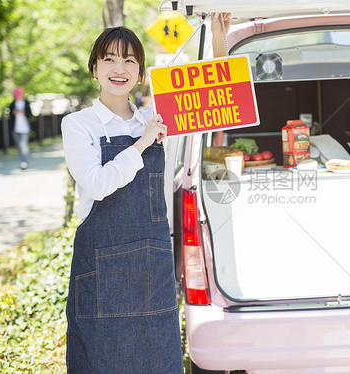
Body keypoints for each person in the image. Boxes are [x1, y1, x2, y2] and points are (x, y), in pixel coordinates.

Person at [61, 13, 231, 374]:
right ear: (94, 69)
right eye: (108, 58)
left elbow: (216, 102)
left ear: (140, 72)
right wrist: (141, 144)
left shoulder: (157, 117)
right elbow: (98, 183)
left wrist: (219, 40)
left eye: (129, 60)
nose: (118, 68)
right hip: (100, 270)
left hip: (151, 269)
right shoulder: (78, 124)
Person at [9, 86, 32, 170]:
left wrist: (24, 112)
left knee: (23, 145)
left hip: (25, 128)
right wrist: (13, 113)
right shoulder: (12, 104)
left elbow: (30, 114)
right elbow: (10, 116)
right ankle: (22, 160)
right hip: (15, 128)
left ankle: (24, 161)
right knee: (19, 145)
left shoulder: (26, 103)